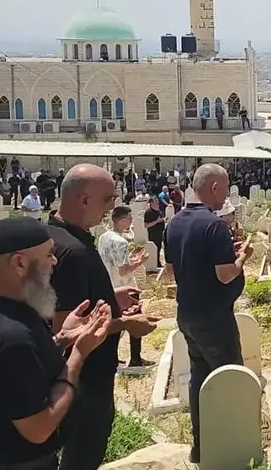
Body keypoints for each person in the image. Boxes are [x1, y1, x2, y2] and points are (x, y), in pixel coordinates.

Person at [0, 218, 112, 470]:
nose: (54, 261)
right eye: (48, 254)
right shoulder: (10, 336)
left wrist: (62, 338)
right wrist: (79, 353)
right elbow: (39, 429)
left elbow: (11, 374)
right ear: (20, 263)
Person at [48, 164, 158, 469]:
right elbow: (65, 328)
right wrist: (126, 323)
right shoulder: (73, 252)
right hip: (86, 378)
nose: (112, 207)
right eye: (108, 199)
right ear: (84, 200)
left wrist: (110, 297)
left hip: (80, 376)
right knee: (83, 454)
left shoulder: (56, 236)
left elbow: (75, 299)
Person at [164, 163, 249, 462]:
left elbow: (171, 270)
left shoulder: (174, 223)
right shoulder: (214, 225)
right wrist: (242, 258)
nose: (226, 195)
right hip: (214, 316)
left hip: (187, 313)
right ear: (214, 188)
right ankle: (235, 448)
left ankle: (200, 445)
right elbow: (225, 275)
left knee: (199, 378)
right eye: (225, 188)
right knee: (231, 377)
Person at [96, 206, 149, 371]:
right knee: (136, 321)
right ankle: (135, 359)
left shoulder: (104, 237)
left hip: (110, 285)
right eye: (130, 219)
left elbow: (113, 261)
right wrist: (140, 262)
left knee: (114, 325)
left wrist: (133, 259)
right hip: (126, 288)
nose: (131, 222)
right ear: (122, 220)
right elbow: (124, 270)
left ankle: (112, 359)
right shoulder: (121, 242)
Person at [142, 196, 165, 273]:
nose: (157, 202)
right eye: (156, 201)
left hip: (160, 233)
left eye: (157, 201)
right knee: (155, 249)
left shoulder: (159, 210)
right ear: (151, 203)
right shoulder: (149, 212)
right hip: (153, 234)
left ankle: (158, 263)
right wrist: (156, 221)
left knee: (159, 249)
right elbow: (146, 225)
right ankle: (155, 265)